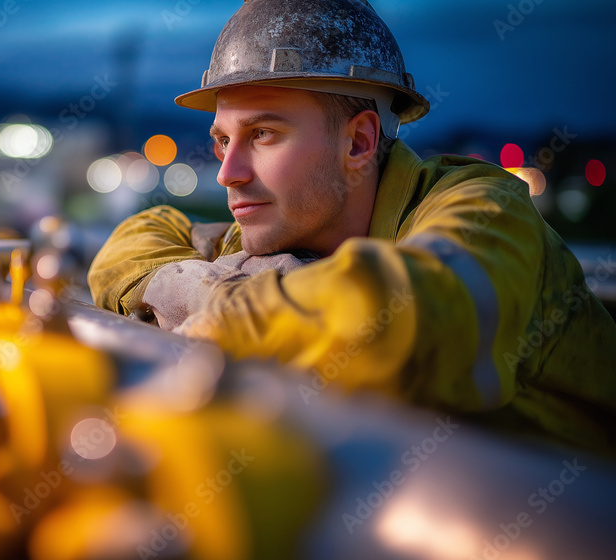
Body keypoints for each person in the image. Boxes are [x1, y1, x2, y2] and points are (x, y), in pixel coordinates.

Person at [87, 0, 616, 455]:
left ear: (359, 143)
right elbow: (143, 232)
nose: (228, 172)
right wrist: (175, 282)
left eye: (264, 134)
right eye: (223, 140)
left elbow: (418, 311)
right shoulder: (282, 229)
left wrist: (228, 308)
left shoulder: (483, 209)